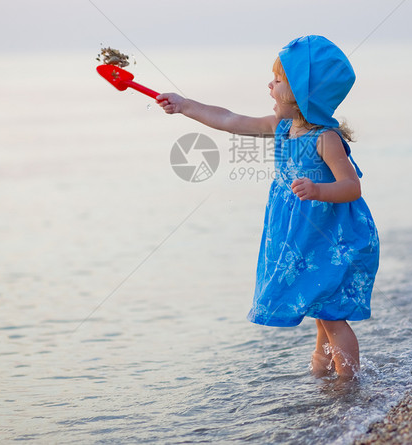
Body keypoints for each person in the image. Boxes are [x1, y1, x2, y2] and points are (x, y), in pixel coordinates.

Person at [156, 35, 380, 381]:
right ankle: (321, 374)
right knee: (320, 309)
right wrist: (185, 105)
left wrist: (317, 189)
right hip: (299, 237)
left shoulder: (325, 139)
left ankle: (350, 385)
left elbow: (351, 187)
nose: (270, 85)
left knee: (332, 314)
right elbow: (229, 119)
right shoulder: (280, 127)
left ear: (302, 93)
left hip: (329, 237)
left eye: (278, 80)